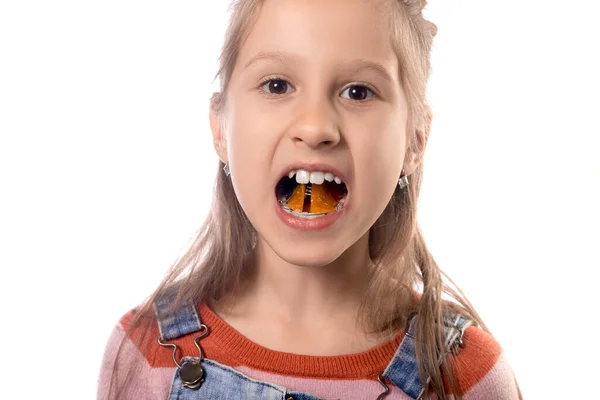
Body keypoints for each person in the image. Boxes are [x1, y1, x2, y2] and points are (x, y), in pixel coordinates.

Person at [97, 0, 522, 398]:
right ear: (220, 128)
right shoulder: (143, 355)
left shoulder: (468, 378)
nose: (316, 126)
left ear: (415, 139)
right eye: (277, 85)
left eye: (358, 92)